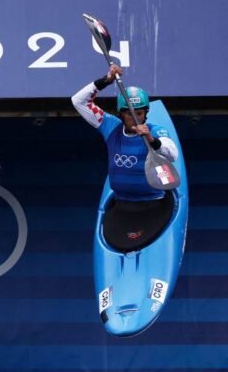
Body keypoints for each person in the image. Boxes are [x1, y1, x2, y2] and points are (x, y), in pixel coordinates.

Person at [72, 65, 179, 252]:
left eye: (139, 113)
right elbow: (79, 102)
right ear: (121, 113)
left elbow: (172, 153)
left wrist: (151, 140)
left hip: (154, 206)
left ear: (146, 113)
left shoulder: (155, 131)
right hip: (122, 207)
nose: (135, 118)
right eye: (130, 113)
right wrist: (106, 80)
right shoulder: (110, 127)